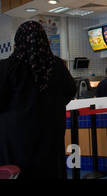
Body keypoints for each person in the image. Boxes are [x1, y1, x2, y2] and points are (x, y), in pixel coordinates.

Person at [0, 21, 77, 179]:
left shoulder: (8, 67)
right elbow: (71, 91)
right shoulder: (57, 66)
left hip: (15, 140)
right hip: (50, 137)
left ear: (18, 40)